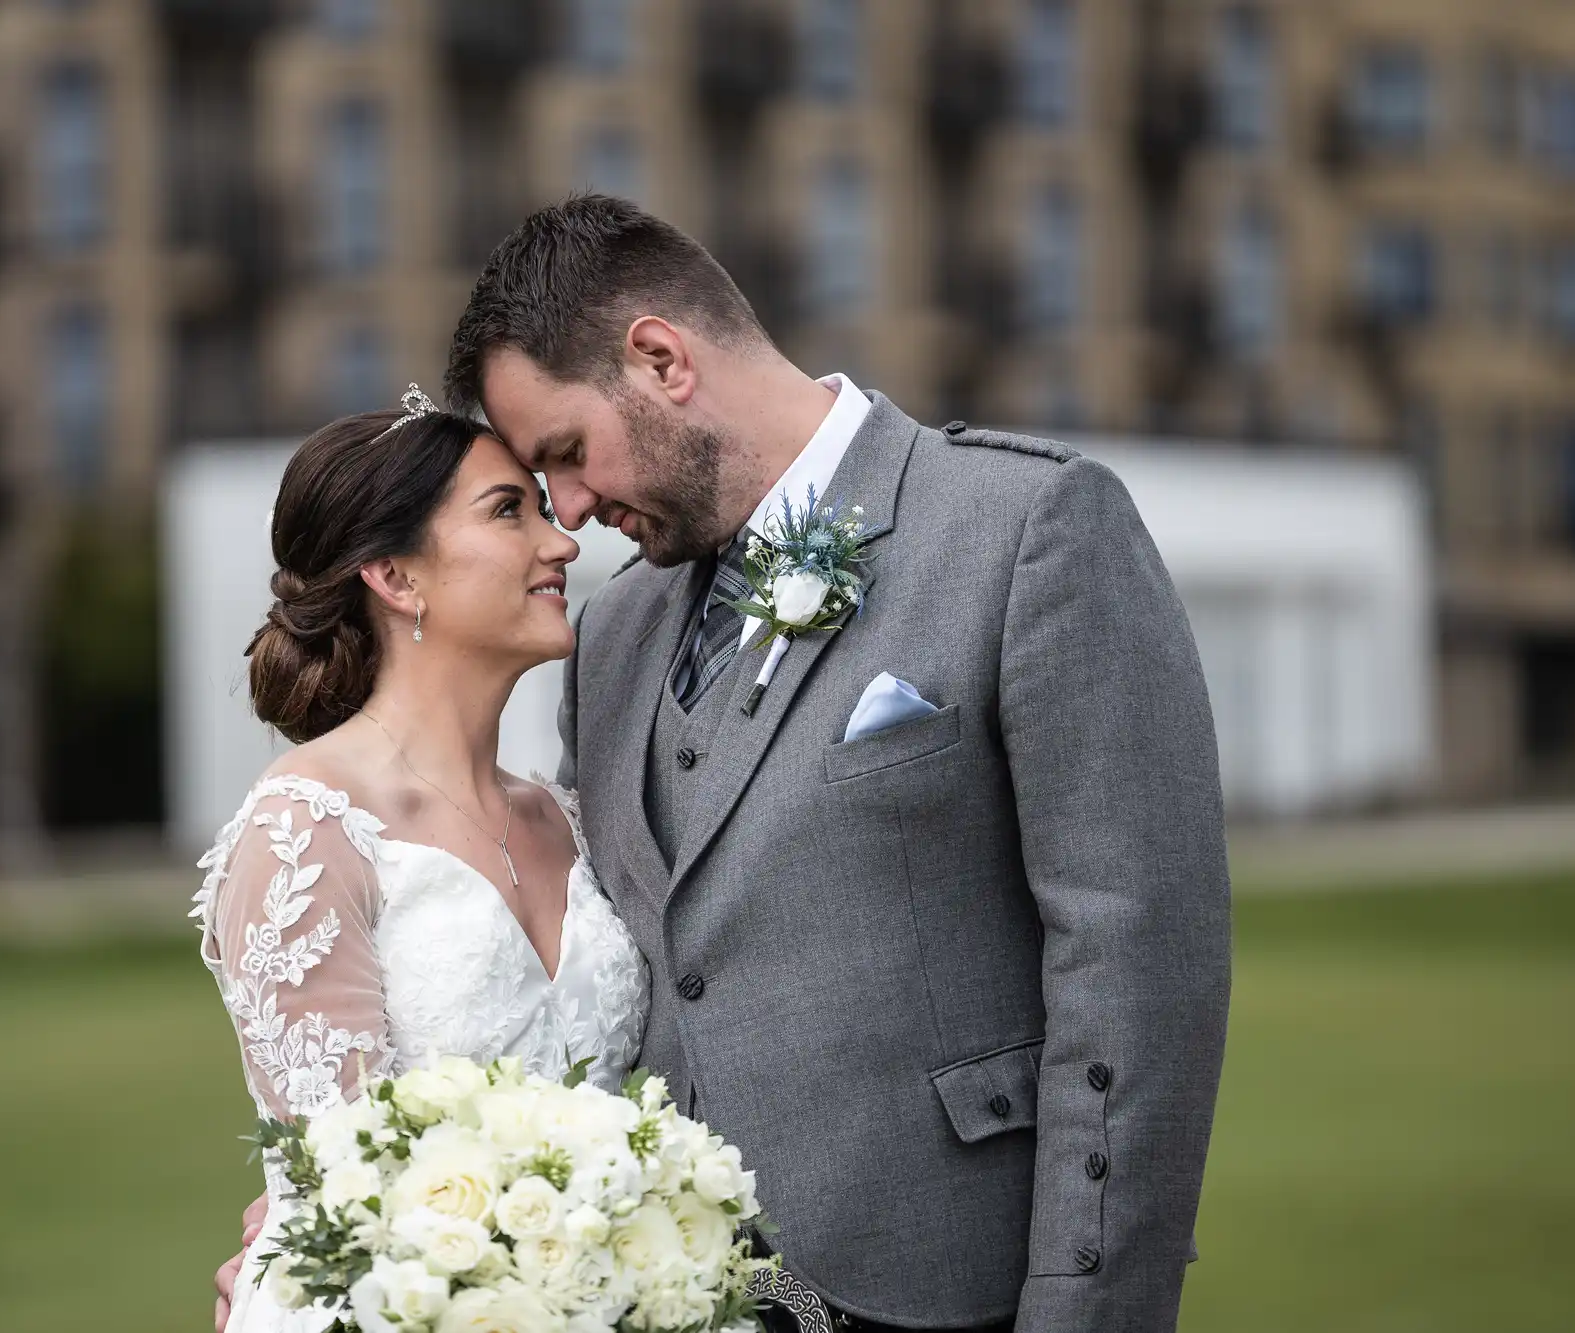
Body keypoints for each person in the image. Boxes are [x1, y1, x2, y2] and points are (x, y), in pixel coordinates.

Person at [219, 193, 1230, 1333]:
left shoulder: (1024, 528)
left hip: (953, 1286)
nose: (573, 513)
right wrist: (325, 1228)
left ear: (660, 360)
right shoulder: (613, 635)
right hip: (678, 1299)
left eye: (565, 455)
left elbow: (1135, 965)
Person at [196, 393, 649, 1333]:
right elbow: (343, 1191)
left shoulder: (571, 818)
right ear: (397, 576)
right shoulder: (308, 829)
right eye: (507, 511)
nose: (562, 542)